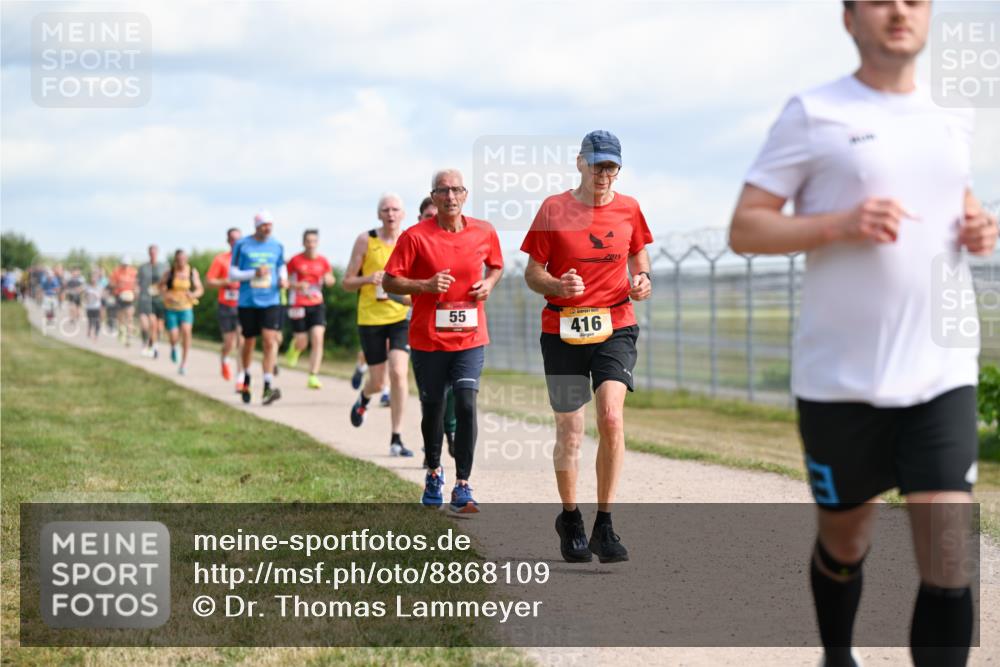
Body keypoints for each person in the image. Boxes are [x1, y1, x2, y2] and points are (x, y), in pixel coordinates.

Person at [728, 3, 998, 665]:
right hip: (840, 381)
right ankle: (838, 654)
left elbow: (955, 197)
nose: (900, 10)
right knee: (846, 541)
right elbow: (746, 227)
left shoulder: (952, 115)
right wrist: (838, 224)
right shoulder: (815, 113)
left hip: (940, 369)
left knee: (949, 551)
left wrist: (978, 224)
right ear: (849, 19)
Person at [521, 130, 652, 564]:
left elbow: (639, 254)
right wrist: (557, 284)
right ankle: (571, 518)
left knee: (611, 418)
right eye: (597, 164)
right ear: (580, 162)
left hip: (616, 323)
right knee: (571, 429)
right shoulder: (553, 209)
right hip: (563, 328)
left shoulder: (630, 208)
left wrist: (642, 279)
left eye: (611, 166)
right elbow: (532, 272)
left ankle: (605, 524)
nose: (604, 174)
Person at [383, 170, 504, 512]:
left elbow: (496, 266)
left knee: (465, 404)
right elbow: (390, 282)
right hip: (428, 339)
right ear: (433, 197)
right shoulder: (415, 236)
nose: (450, 196)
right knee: (434, 409)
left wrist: (489, 284)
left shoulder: (484, 231)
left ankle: (463, 484)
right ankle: (434, 472)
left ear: (465, 194)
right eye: (443, 191)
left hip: (470, 337)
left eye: (456, 190)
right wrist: (424, 285)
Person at [342, 193, 415, 457]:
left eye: (395, 209)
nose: (391, 214)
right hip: (370, 318)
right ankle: (364, 397)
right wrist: (368, 279)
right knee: (377, 381)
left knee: (398, 372)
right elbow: (347, 282)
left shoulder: (410, 240)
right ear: (378, 214)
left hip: (400, 317)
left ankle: (396, 438)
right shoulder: (366, 240)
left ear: (403, 214)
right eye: (386, 209)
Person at [229, 211, 287, 405]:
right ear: (256, 226)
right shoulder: (242, 245)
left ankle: (267, 386)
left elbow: (281, 266)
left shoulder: (277, 245)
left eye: (270, 225)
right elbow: (233, 273)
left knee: (270, 341)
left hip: (271, 300)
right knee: (249, 342)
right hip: (248, 301)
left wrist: (283, 279)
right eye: (264, 225)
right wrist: (254, 273)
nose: (268, 228)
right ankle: (245, 377)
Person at [284, 229, 336, 388]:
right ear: (303, 242)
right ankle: (295, 348)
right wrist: (297, 285)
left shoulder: (323, 261)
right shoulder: (294, 260)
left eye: (314, 241)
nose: (311, 244)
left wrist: (329, 279)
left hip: (317, 304)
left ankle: (313, 376)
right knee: (302, 342)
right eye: (308, 241)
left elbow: (331, 279)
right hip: (298, 303)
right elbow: (284, 282)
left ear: (317, 243)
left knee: (318, 337)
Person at [206, 227, 245, 389]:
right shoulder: (221, 259)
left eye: (238, 239)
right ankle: (224, 359)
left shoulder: (247, 259)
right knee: (229, 343)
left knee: (242, 341)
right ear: (228, 241)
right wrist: (225, 281)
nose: (236, 242)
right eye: (233, 239)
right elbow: (209, 282)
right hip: (226, 305)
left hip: (243, 305)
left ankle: (241, 378)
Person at [159, 249, 204, 374]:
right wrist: (166, 295)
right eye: (179, 259)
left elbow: (200, 289)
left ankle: (183, 364)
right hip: (171, 307)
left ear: (187, 260)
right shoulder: (170, 272)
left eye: (183, 259)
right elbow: (161, 286)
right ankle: (174, 346)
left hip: (186, 307)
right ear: (175, 260)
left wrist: (193, 294)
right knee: (173, 336)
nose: (181, 262)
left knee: (186, 332)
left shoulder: (192, 272)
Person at [137, 245, 168, 359]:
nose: (153, 254)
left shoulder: (164, 267)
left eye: (155, 252)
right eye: (151, 252)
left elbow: (168, 283)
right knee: (151, 324)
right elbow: (138, 283)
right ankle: (153, 348)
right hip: (147, 299)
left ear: (157, 253)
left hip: (160, 300)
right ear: (148, 253)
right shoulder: (143, 268)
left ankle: (154, 343)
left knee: (159, 328)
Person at [110, 256, 138, 345]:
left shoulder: (134, 272)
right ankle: (121, 330)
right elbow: (111, 284)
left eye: (127, 265)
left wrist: (136, 292)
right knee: (121, 317)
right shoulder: (116, 271)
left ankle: (129, 337)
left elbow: (137, 284)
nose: (126, 266)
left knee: (130, 317)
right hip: (119, 296)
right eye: (124, 265)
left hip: (130, 297)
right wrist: (118, 285)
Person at [83, 270, 103, 340]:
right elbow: (85, 296)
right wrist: (86, 298)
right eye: (92, 277)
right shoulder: (87, 286)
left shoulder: (100, 286)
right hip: (89, 307)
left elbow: (100, 296)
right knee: (90, 321)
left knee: (97, 321)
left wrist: (96, 296)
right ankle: (89, 331)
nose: (93, 279)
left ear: (97, 278)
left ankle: (96, 335)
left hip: (97, 307)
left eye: (95, 277)